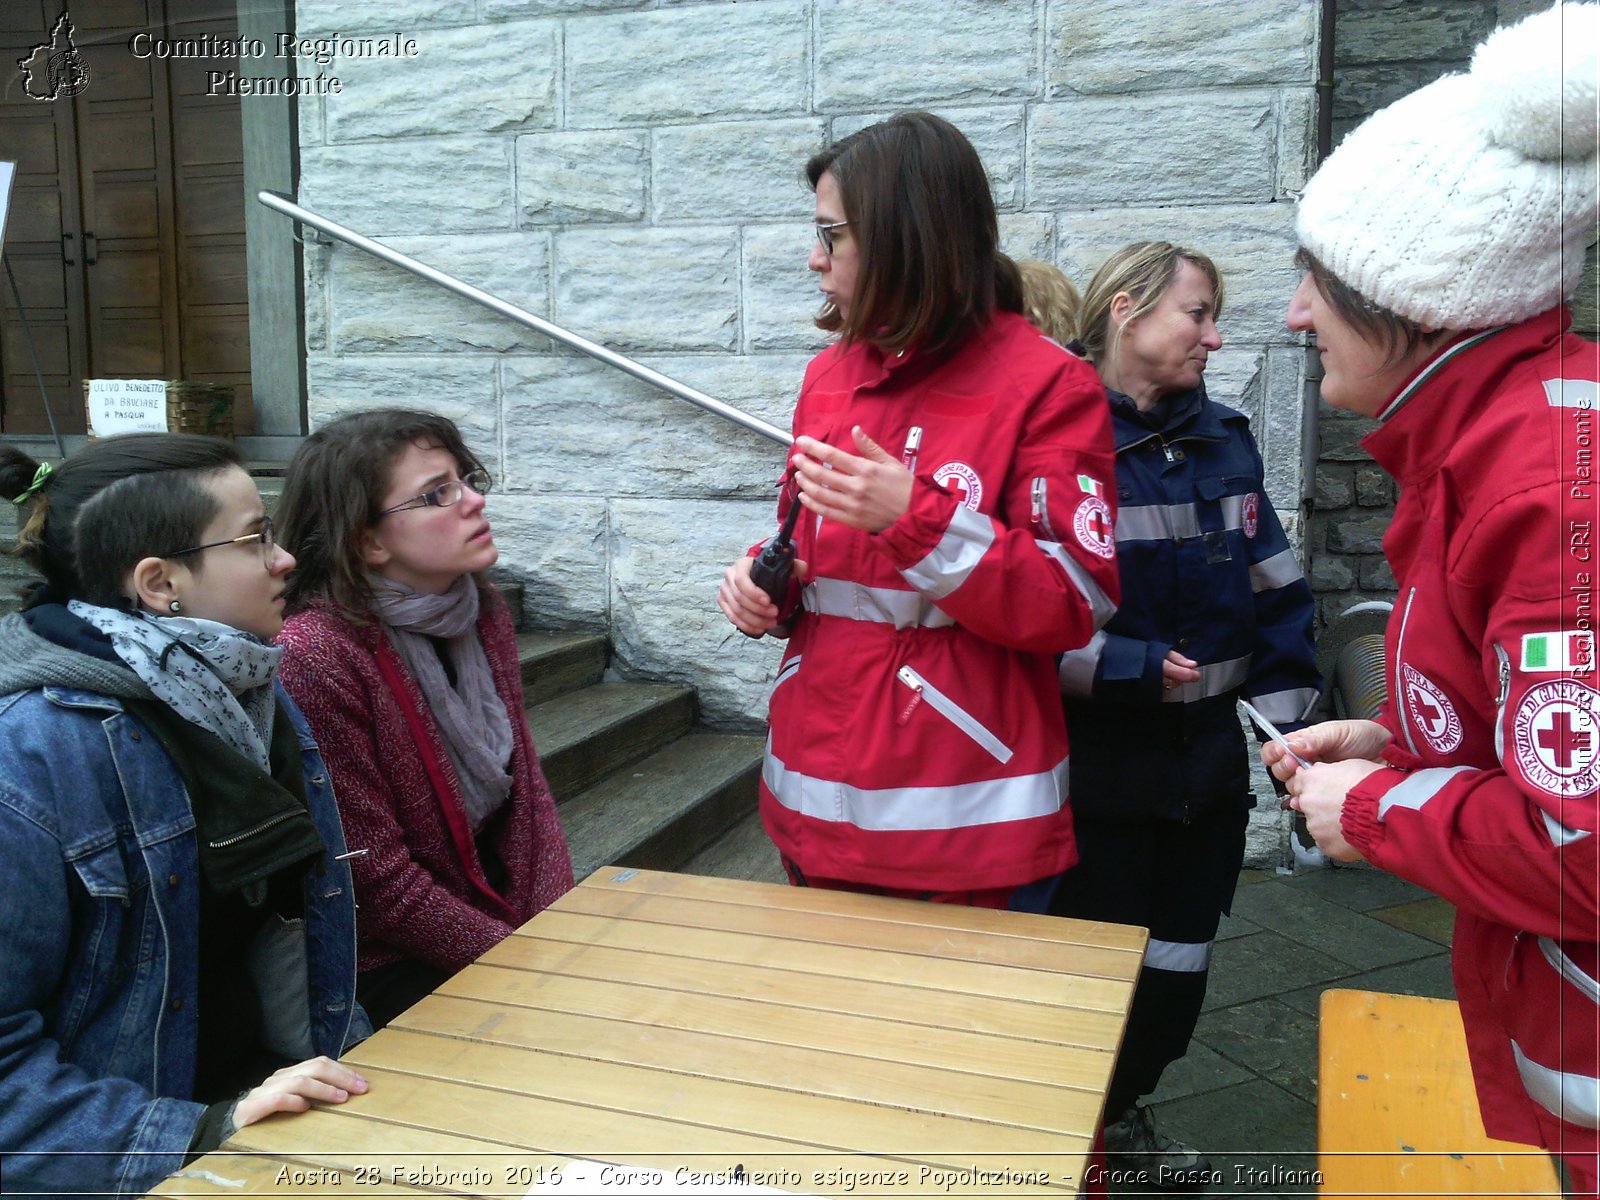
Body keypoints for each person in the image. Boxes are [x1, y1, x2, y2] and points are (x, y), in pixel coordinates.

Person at [1266, 3, 1600, 1190]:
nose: (1295, 312)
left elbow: (1584, 848)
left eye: (1318, 278)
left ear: (1414, 296)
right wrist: (1399, 743)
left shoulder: (1550, 501)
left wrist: (1373, 813)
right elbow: (1538, 725)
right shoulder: (1494, 443)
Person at [716, 111, 1119, 907]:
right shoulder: (827, 375)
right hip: (809, 794)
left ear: (906, 235)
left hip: (962, 822)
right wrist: (766, 585)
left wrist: (915, 520)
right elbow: (816, 550)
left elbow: (1077, 600)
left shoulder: (1048, 384)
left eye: (831, 235)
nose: (813, 258)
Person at [0, 435, 370, 1196]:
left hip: (276, 1116)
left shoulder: (242, 692)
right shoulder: (32, 756)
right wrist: (201, 1137)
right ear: (160, 583)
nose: (284, 559)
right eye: (254, 538)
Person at [1040, 242, 1320, 1183]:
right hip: (1095, 772)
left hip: (1207, 774)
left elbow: (1278, 595)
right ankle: (1072, 1144)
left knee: (1177, 973)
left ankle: (1122, 1115)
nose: (1215, 333)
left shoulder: (1225, 439)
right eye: (1197, 313)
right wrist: (1122, 670)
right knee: (1085, 977)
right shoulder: (1053, 438)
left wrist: (1295, 740)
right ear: (1127, 309)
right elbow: (1010, 613)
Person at [274, 409, 574, 1029]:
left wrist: (556, 929)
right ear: (368, 540)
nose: (473, 500)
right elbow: (372, 878)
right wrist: (517, 961)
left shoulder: (477, 608)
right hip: (384, 958)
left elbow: (529, 799)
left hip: (487, 907)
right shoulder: (317, 654)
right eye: (438, 493)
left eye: (465, 478)